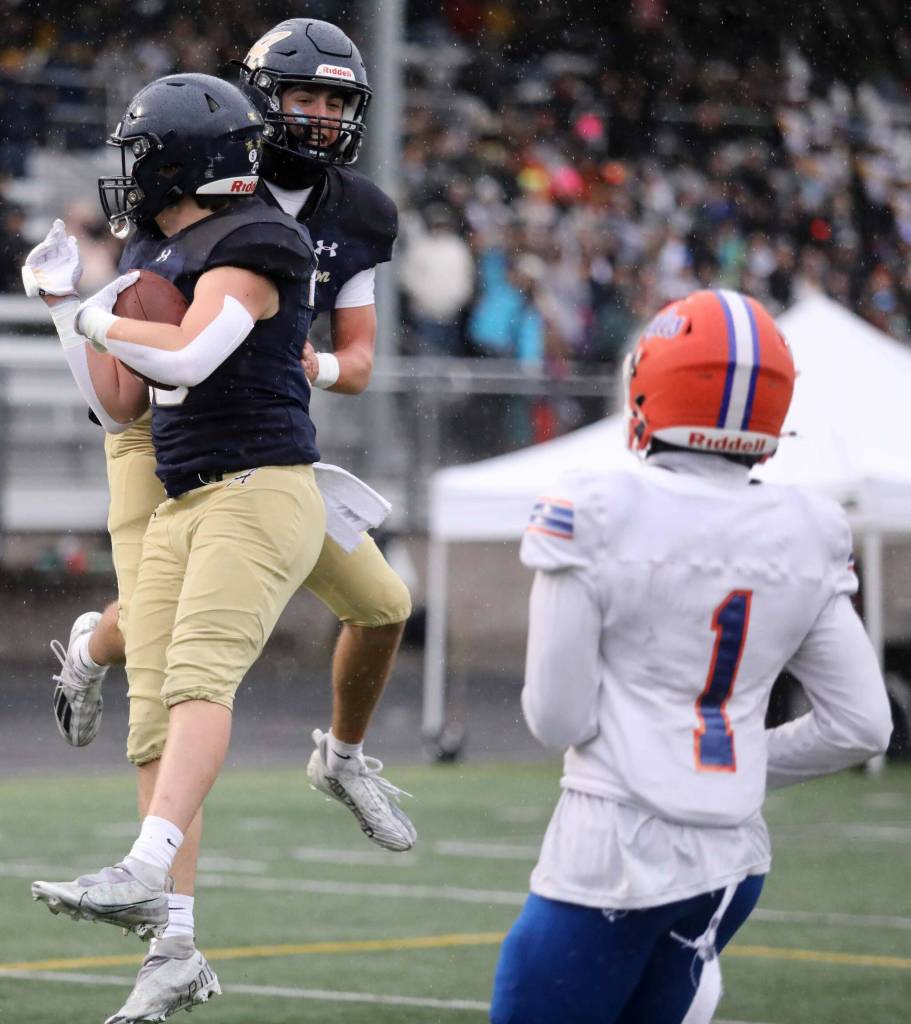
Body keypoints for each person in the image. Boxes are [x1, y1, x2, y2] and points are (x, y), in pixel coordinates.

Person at [47, 18, 414, 852]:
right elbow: (142, 376)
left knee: (385, 605)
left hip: (260, 435)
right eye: (305, 97)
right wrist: (82, 318)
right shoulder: (188, 186)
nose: (321, 116)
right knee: (161, 689)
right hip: (164, 426)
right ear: (258, 101)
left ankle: (342, 757)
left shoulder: (356, 210)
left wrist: (311, 365)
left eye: (336, 102)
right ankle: (164, 911)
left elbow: (359, 361)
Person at [488, 289, 892, 1024]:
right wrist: (735, 761)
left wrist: (658, 753)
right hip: (733, 858)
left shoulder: (596, 506)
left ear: (652, 384)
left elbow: (556, 717)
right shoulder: (809, 526)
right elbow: (862, 725)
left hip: (611, 851)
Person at [25, 72, 328, 1021]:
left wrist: (94, 312)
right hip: (184, 497)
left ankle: (146, 869)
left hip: (259, 487)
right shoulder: (154, 248)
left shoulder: (254, 239)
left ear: (180, 161)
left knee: (200, 679)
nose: (128, 172)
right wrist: (61, 307)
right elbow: (119, 402)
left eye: (140, 154)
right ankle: (175, 945)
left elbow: (191, 355)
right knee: (156, 707)